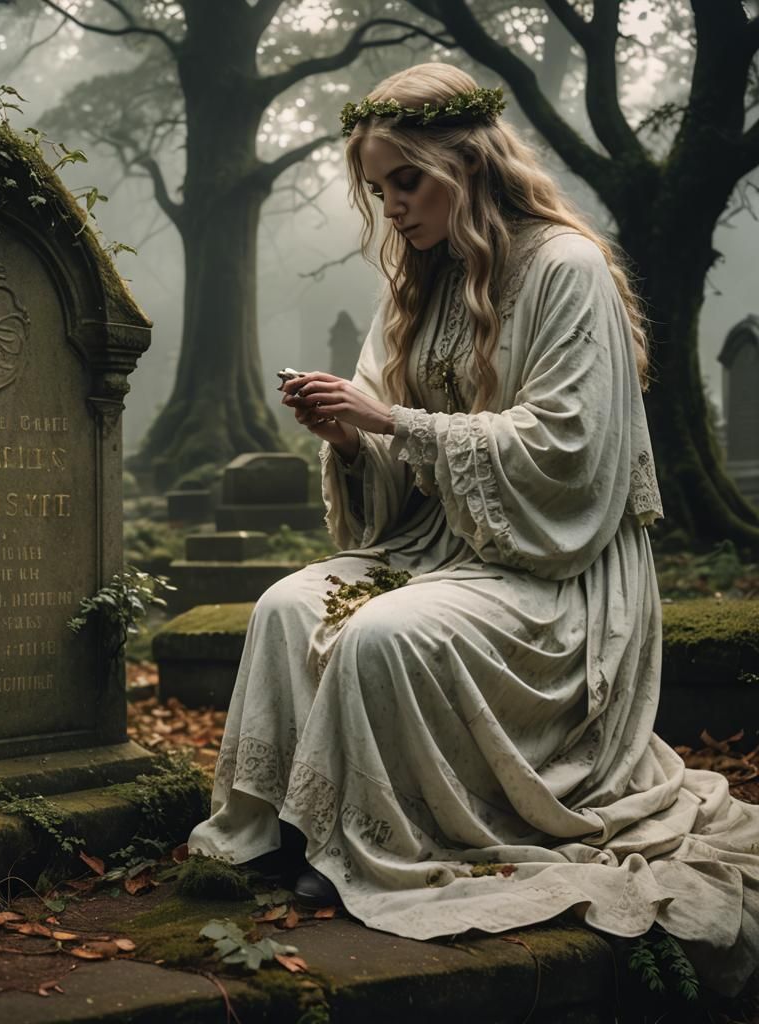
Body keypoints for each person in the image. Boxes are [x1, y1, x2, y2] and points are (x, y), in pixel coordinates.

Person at [187, 62, 759, 995]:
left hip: (558, 580)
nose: (393, 208)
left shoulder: (564, 268)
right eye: (378, 190)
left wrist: (389, 421)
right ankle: (294, 830)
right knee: (288, 606)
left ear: (469, 161)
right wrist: (350, 436)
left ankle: (383, 843)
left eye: (406, 181)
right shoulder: (421, 286)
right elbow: (400, 465)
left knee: (378, 634)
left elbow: (566, 455)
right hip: (440, 554)